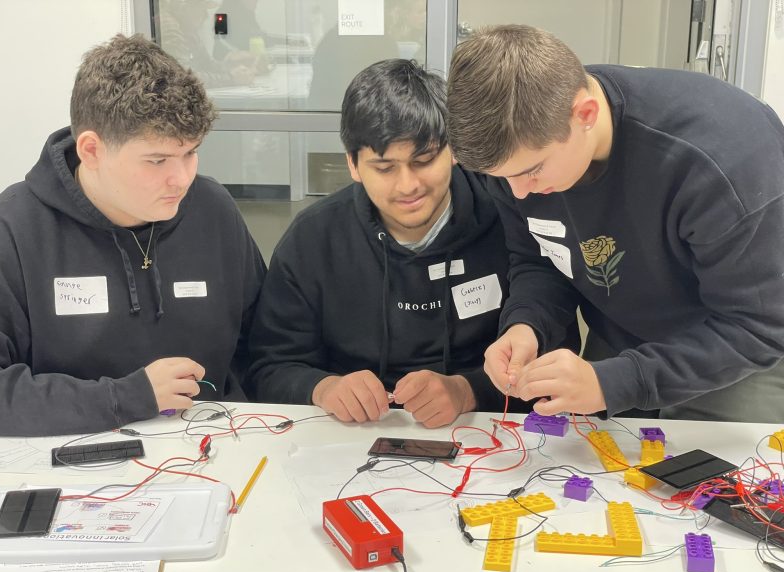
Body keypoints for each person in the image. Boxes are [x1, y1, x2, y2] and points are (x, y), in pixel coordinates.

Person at [446, 24, 784, 423]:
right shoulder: (521, 152)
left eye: (532, 171)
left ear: (585, 115)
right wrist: (526, 324)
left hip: (735, 348)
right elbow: (539, 258)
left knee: (716, 462)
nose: (518, 193)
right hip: (622, 335)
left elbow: (759, 326)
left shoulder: (722, 161)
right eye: (502, 178)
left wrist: (617, 381)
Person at [0, 34, 267, 436]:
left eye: (190, 152)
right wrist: (126, 397)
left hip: (213, 442)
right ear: (91, 151)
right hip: (74, 452)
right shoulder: (9, 232)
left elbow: (265, 345)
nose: (181, 178)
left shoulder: (213, 209)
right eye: (157, 160)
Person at [246, 59, 529, 428]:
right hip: (351, 433)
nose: (408, 185)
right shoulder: (313, 239)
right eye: (384, 168)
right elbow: (267, 366)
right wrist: (323, 388)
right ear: (352, 164)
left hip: (483, 429)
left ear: (454, 150)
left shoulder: (506, 220)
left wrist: (469, 390)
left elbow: (549, 351)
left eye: (424, 160)